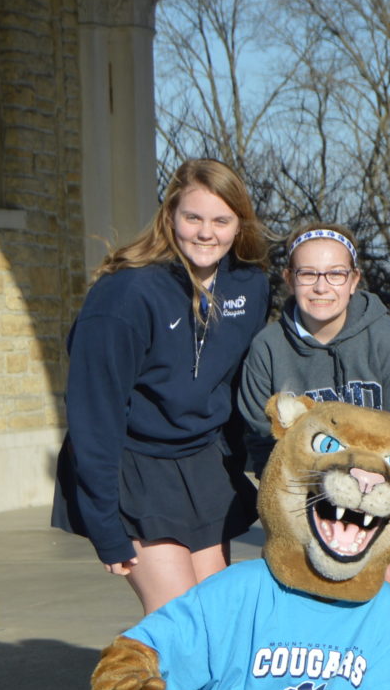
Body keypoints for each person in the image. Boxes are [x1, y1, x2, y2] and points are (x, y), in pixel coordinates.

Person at [52, 159, 270, 614]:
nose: (205, 232)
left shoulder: (249, 287)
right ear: (169, 215)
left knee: (219, 620)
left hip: (201, 464)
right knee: (182, 622)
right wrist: (105, 524)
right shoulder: (125, 295)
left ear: (238, 225)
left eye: (221, 220)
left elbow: (238, 389)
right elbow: (95, 415)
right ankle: (138, 686)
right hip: (135, 465)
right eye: (193, 217)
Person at [237, 221, 390, 599]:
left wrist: (386, 542)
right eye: (308, 273)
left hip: (385, 502)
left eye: (335, 273)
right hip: (308, 506)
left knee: (377, 610)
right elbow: (267, 452)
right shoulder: (267, 349)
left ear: (353, 279)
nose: (321, 286)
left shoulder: (388, 341)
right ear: (288, 277)